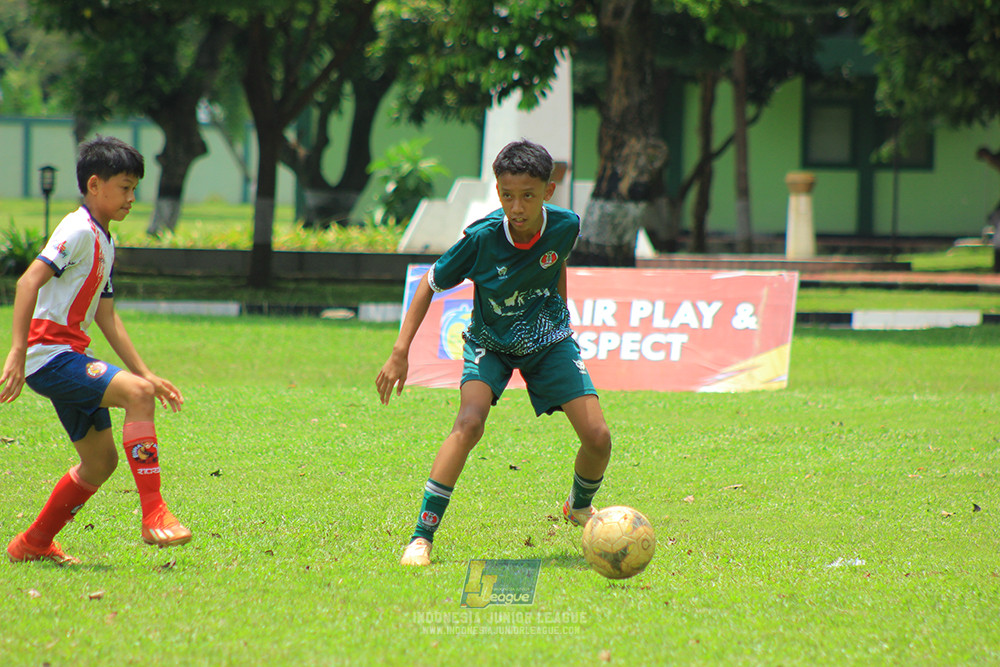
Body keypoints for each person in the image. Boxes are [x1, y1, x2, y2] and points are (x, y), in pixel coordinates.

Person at [376, 139, 612, 566]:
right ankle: (421, 538)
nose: (517, 207)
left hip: (548, 340)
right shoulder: (482, 239)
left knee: (598, 438)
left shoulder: (566, 225)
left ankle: (578, 506)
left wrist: (561, 315)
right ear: (497, 191)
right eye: (507, 196)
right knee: (469, 423)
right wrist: (399, 351)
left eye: (528, 196)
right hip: (490, 344)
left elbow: (556, 261)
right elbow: (429, 283)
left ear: (549, 191)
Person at [1, 136, 192, 566]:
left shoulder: (104, 239)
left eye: (134, 188)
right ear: (94, 185)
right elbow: (28, 281)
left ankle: (33, 543)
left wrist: (145, 372)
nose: (131, 198)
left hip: (67, 357)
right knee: (138, 397)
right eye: (124, 187)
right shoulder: (77, 230)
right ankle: (154, 513)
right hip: (51, 356)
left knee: (100, 462)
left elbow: (107, 316)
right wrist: (17, 351)